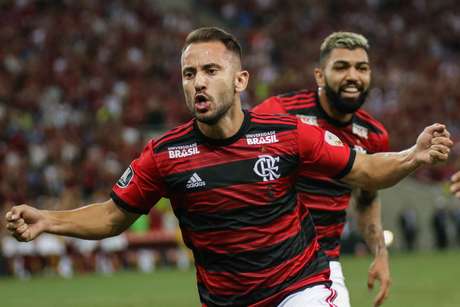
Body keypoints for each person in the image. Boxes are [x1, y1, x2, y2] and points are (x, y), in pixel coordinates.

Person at [5, 27, 453, 307]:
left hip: (302, 288)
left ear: (240, 81)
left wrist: (412, 155)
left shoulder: (287, 134)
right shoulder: (164, 154)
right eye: (189, 73)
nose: (199, 81)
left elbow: (366, 173)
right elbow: (111, 215)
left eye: (211, 70)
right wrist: (48, 220)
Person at [253, 32, 391, 306]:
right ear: (319, 75)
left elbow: (366, 200)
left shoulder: (374, 136)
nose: (353, 76)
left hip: (321, 263)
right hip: (261, 263)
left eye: (361, 68)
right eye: (341, 67)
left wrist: (380, 253)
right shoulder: (278, 113)